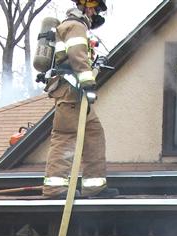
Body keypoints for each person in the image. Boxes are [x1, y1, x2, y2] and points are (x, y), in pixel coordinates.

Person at [42, 0, 118, 199]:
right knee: (65, 137)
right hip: (70, 94)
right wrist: (88, 81)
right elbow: (77, 55)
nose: (94, 14)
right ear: (87, 7)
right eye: (94, 9)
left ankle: (94, 185)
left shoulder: (75, 27)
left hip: (76, 94)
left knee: (94, 134)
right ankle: (55, 188)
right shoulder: (75, 26)